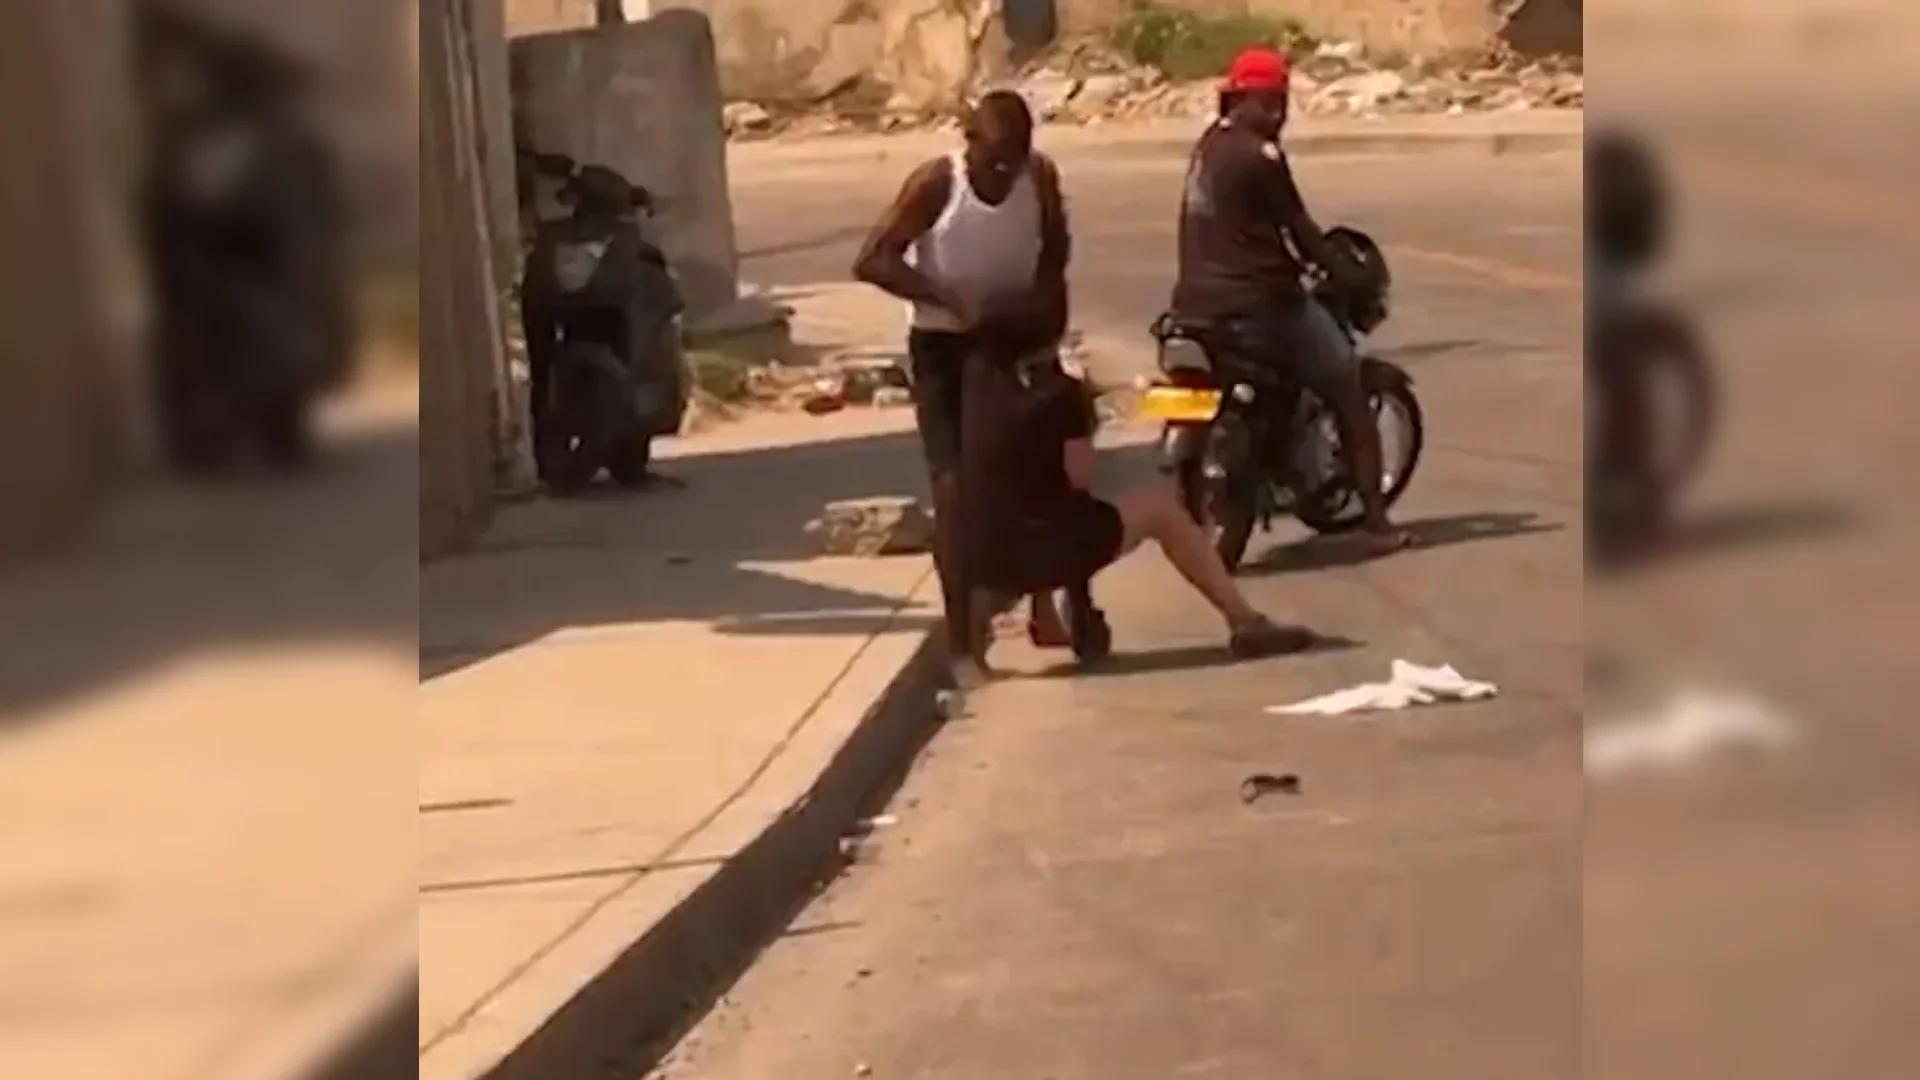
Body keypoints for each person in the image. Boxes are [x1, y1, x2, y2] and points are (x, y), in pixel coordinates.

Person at [851, 89, 1080, 672]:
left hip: (1013, 340)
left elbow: (1055, 252)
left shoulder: (1040, 178)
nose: (1005, 174)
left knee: (1038, 474)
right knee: (955, 493)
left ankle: (1046, 606)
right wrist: (944, 298)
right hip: (945, 349)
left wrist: (1044, 315)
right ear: (970, 141)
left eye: (1016, 161)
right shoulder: (937, 184)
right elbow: (874, 259)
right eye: (995, 161)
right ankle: (961, 644)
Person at [1169, 47, 1411, 552]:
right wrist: (1341, 272)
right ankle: (1376, 521)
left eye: (1282, 102)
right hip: (1258, 305)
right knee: (1345, 379)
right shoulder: (1260, 156)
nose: (1280, 114)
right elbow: (1301, 231)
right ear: (1245, 99)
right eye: (1271, 102)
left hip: (1193, 305)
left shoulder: (1210, 145)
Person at [957, 334, 1318, 666]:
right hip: (1033, 546)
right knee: (1159, 510)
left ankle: (1032, 619)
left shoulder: (974, 387)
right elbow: (1077, 482)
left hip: (983, 545)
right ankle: (1245, 621)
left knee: (1038, 505)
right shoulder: (1057, 395)